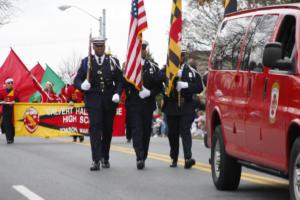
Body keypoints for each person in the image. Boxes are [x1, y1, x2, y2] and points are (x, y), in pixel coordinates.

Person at [74, 36, 123, 171]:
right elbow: (77, 79)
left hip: (109, 100)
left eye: (101, 46)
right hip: (93, 101)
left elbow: (120, 80)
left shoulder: (113, 61)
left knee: (107, 130)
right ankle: (95, 160)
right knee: (95, 129)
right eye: (97, 46)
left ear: (104, 47)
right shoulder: (86, 62)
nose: (99, 48)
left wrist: (117, 93)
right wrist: (81, 85)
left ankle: (105, 156)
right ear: (93, 47)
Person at [155, 50, 203, 169]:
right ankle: (174, 157)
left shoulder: (191, 72)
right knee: (173, 133)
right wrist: (172, 72)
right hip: (171, 106)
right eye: (177, 55)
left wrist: (186, 84)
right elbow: (157, 79)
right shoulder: (167, 69)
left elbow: (199, 87)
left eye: (182, 55)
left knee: (185, 130)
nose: (180, 57)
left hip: (186, 105)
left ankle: (188, 157)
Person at [124, 40, 161, 170]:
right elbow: (124, 85)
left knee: (146, 131)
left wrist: (150, 93)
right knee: (137, 130)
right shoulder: (129, 68)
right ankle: (139, 157)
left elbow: (159, 87)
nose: (142, 51)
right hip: (134, 104)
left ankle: (143, 155)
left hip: (147, 104)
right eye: (140, 49)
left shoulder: (153, 67)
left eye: (144, 48)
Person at [60, 74, 85, 143]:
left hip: (80, 107)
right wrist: (69, 101)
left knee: (80, 122)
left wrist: (84, 102)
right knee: (73, 122)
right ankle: (74, 136)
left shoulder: (81, 87)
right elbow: (67, 97)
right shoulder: (70, 88)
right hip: (73, 107)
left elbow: (84, 96)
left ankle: (81, 135)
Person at [0, 78, 19, 144]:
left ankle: (12, 136)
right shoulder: (2, 92)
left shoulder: (15, 91)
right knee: (6, 124)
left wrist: (15, 101)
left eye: (11, 83)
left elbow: (18, 100)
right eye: (9, 83)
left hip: (13, 110)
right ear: (6, 84)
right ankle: (8, 139)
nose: (10, 84)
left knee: (12, 124)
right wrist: (3, 102)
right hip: (5, 110)